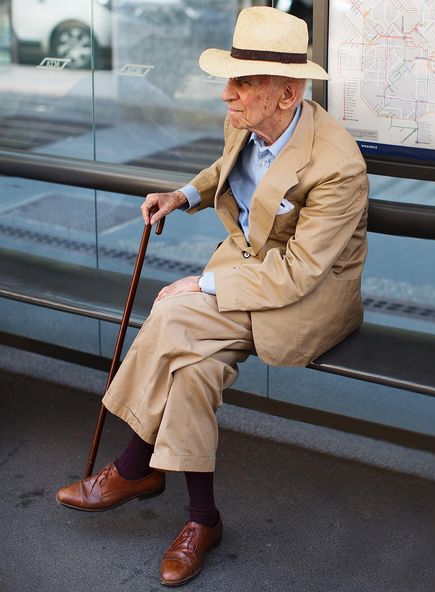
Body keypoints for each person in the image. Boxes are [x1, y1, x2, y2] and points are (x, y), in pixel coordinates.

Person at [56, 6, 368, 587]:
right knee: (193, 371)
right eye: (230, 78)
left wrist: (205, 284)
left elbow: (300, 272)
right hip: (248, 275)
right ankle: (203, 519)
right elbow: (226, 168)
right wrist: (182, 195)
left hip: (306, 298)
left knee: (173, 312)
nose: (227, 94)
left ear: (287, 92)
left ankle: (134, 466)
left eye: (243, 82)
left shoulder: (337, 165)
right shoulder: (247, 120)